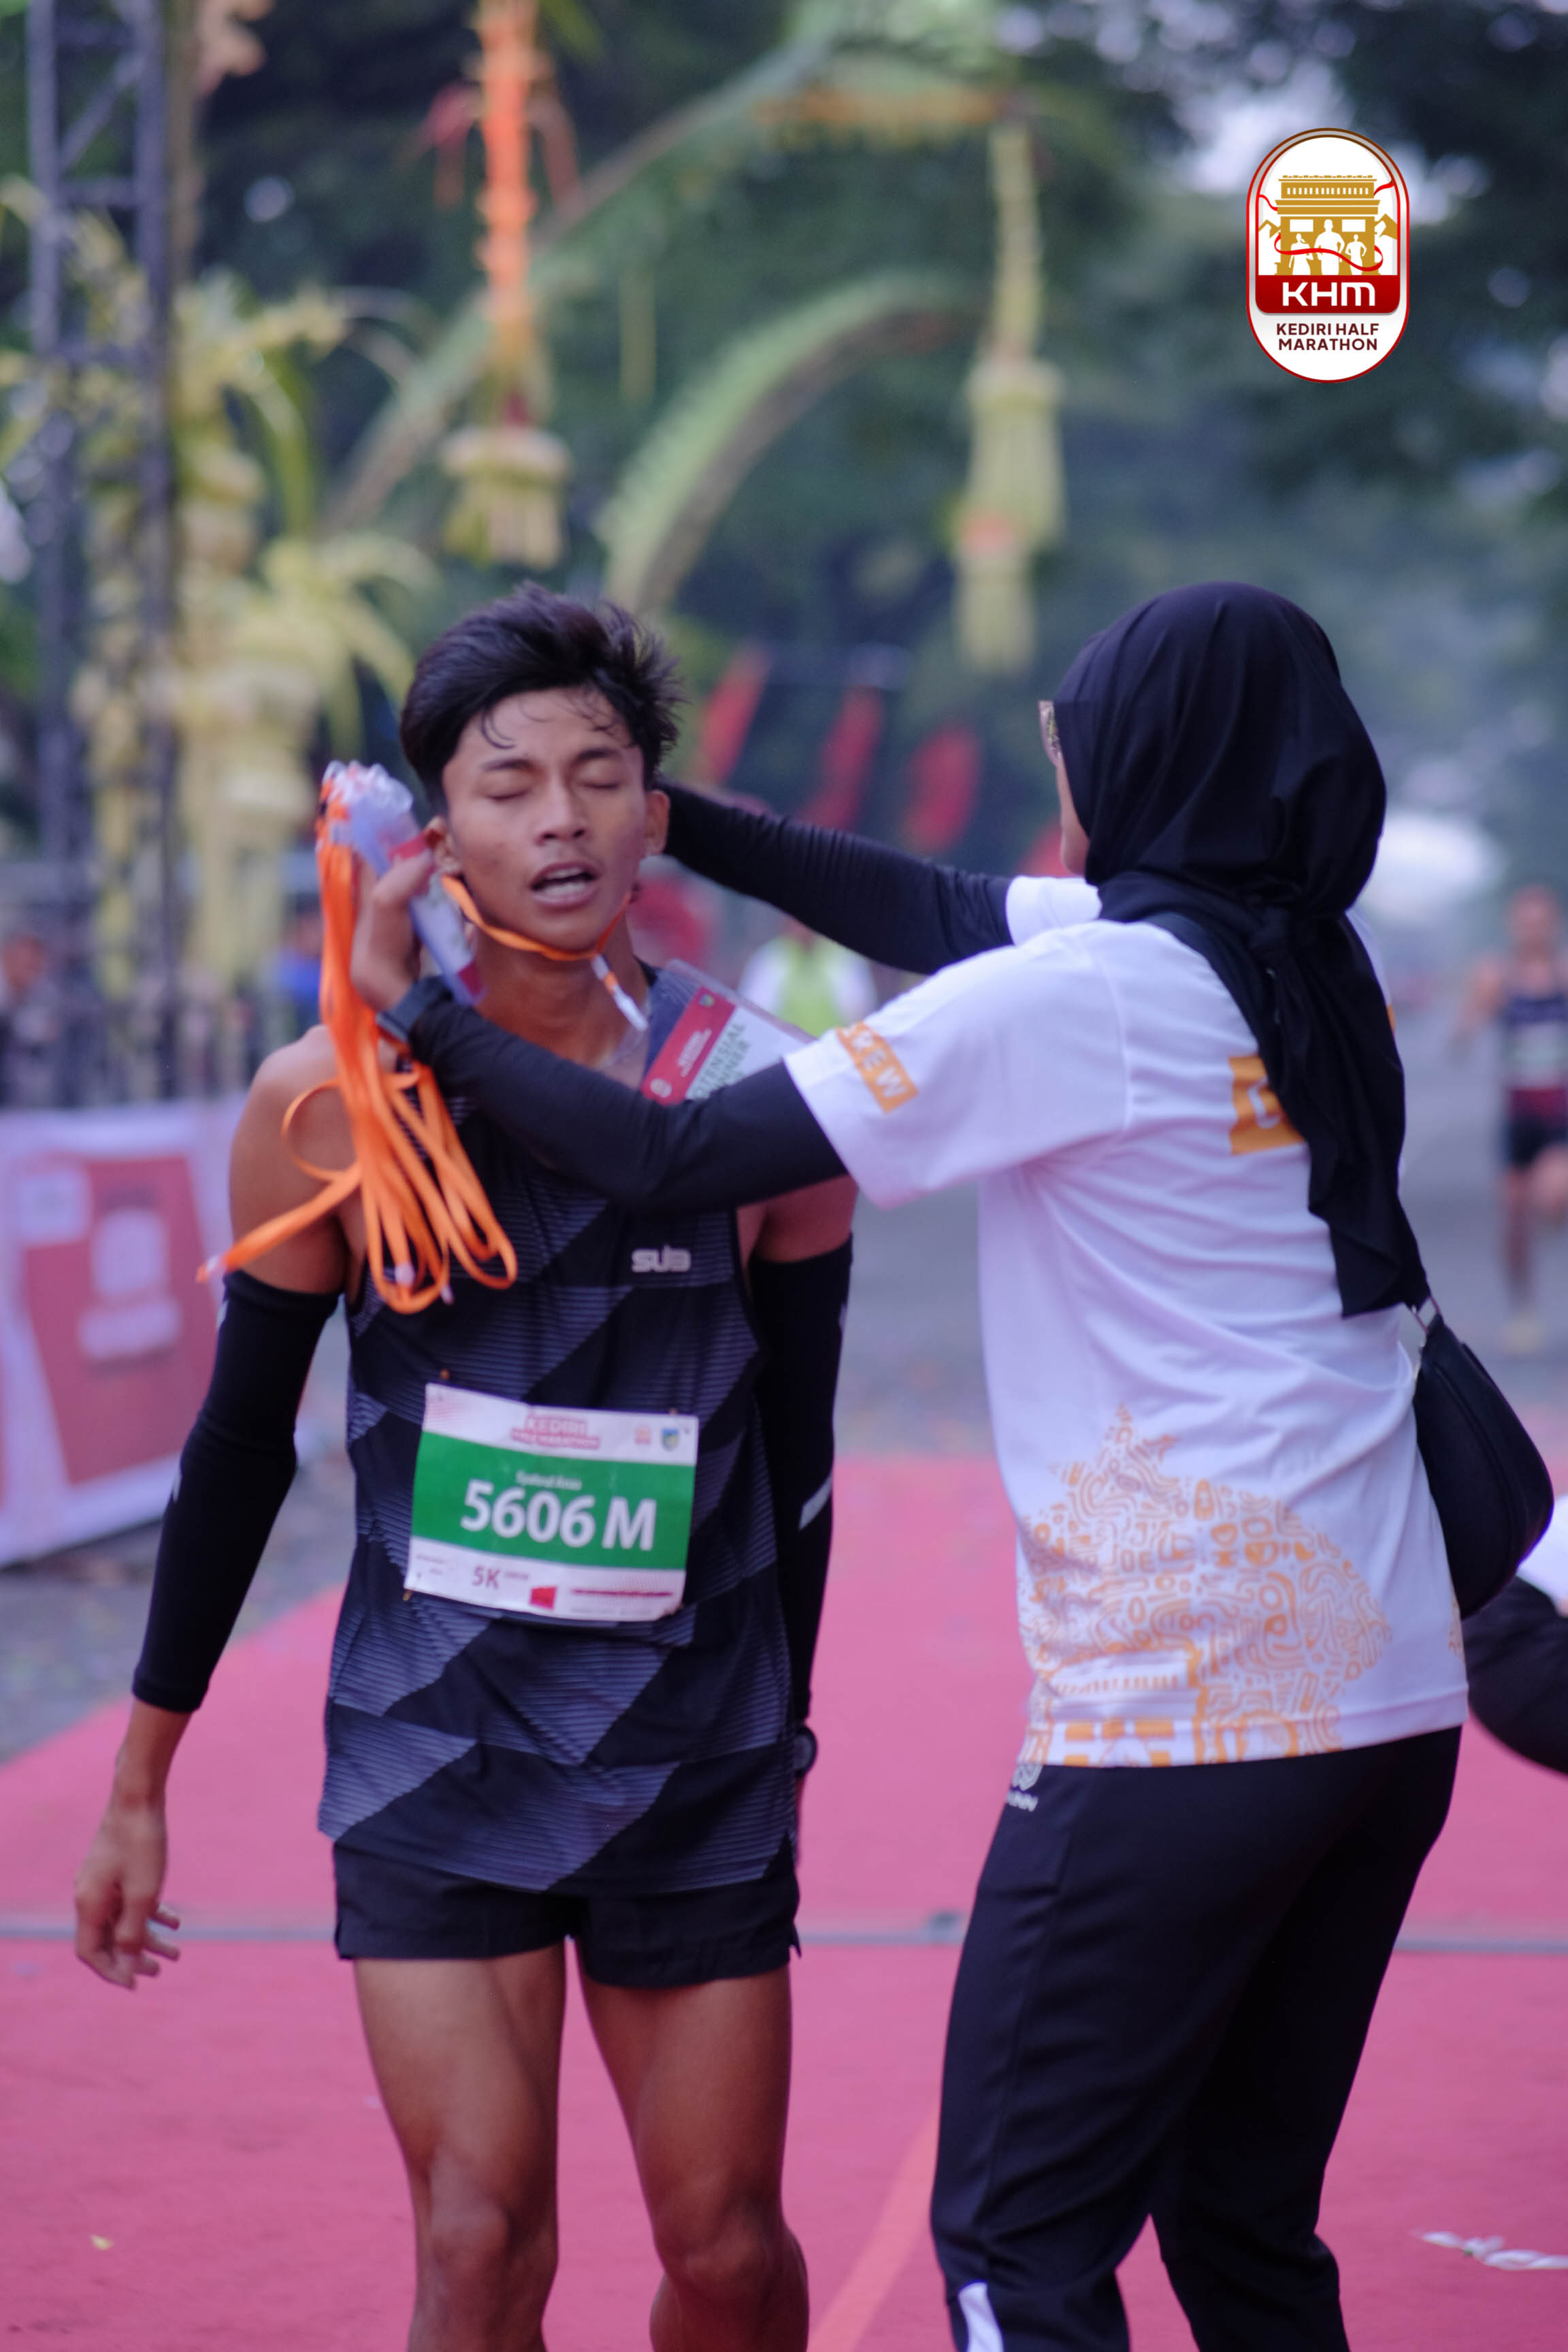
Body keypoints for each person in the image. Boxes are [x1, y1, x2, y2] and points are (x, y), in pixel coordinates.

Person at [353, 582, 1469, 2352]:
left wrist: (423, 1010)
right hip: (1393, 1696)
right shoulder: (1287, 948)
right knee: (1243, 2227)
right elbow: (931, 906)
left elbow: (677, 1161)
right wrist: (657, 809)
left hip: (1193, 1701)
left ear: (1146, 755)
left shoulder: (1079, 994)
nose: (1056, 763)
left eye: (1075, 734)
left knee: (1013, 2247)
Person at [74, 588, 856, 2352]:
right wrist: (139, 1778)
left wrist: (782, 1731)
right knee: (479, 2241)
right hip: (436, 1742)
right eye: (510, 785)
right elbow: (235, 1452)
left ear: (655, 813)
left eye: (600, 775)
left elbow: (800, 1465)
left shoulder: (763, 1100)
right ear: (433, 833)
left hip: (692, 1755)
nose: (561, 819)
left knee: (732, 2256)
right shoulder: (327, 1104)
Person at [1457, 883, 1568, 1354]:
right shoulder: (1499, 976)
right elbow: (1461, 1040)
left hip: (1559, 1116)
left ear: (1554, 924)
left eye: (1540, 922)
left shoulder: (1563, 974)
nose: (1532, 931)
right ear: (1512, 926)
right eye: (1525, 922)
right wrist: (1476, 1005)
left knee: (1553, 1198)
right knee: (1514, 1219)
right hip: (1517, 1116)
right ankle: (1524, 1311)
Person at [739, 918, 877, 1039]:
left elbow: (861, 1017)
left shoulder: (844, 958)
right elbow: (754, 1016)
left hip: (831, 1054)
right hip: (785, 1055)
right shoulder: (770, 958)